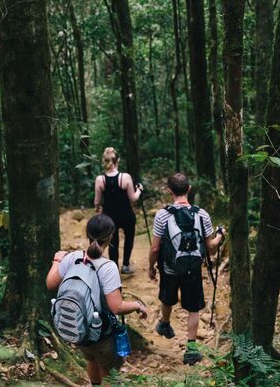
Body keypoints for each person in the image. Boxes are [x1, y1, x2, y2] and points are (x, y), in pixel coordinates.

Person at [46, 214, 149, 386]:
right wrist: (137, 305)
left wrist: (57, 260)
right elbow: (116, 307)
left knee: (91, 359)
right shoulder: (108, 267)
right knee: (110, 371)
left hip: (78, 326)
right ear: (111, 236)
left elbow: (50, 283)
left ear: (88, 234)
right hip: (101, 332)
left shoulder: (73, 258)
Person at [148, 173, 224, 365]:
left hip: (169, 267)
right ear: (189, 189)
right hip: (192, 268)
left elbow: (155, 247)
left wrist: (151, 267)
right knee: (193, 308)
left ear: (169, 191)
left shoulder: (162, 215)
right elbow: (211, 248)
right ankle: (191, 350)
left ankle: (164, 324)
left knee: (167, 296)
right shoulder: (202, 214)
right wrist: (221, 235)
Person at [93, 147, 143, 274]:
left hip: (109, 216)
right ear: (118, 160)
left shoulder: (100, 179)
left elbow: (96, 202)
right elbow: (133, 199)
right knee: (129, 238)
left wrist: (98, 209)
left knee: (112, 241)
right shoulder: (125, 177)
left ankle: (114, 267)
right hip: (126, 214)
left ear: (104, 161)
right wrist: (139, 190)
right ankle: (126, 265)